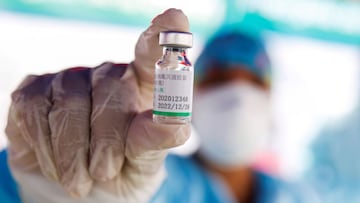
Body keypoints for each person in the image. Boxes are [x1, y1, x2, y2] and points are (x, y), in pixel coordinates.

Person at [0, 8, 307, 203]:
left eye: (254, 82)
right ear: (191, 97)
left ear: (271, 101)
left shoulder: (296, 196)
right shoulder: (147, 177)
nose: (237, 97)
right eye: (218, 79)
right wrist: (42, 166)